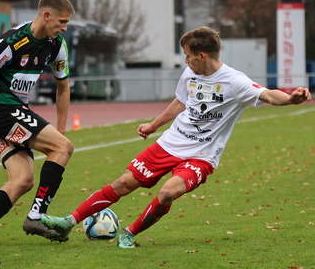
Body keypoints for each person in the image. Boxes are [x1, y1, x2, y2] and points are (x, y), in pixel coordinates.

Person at [40, 26, 312, 249]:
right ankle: (68, 221)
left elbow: (267, 95)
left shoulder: (234, 81)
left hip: (201, 155)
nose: (185, 61)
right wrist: (154, 125)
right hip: (170, 143)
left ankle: (130, 234)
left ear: (202, 55)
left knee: (169, 192)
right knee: (123, 183)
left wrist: (290, 98)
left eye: (187, 56)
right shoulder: (191, 73)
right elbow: (181, 102)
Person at [0, 0, 75, 248]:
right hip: (0, 109)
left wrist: (61, 129)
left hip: (14, 111)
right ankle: (36, 216)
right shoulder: (11, 42)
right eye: (61, 22)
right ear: (46, 16)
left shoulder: (56, 45)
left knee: (22, 180)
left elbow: (63, 86)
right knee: (63, 148)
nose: (64, 28)